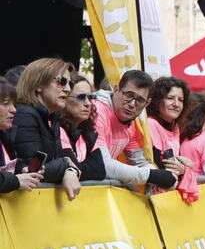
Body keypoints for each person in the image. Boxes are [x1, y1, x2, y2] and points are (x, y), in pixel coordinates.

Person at [91, 69, 180, 190]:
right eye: (128, 96)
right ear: (116, 89)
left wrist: (165, 177)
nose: (132, 104)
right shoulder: (96, 111)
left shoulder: (132, 122)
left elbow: (140, 162)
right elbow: (102, 164)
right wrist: (153, 176)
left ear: (147, 103)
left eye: (140, 100)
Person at [10, 57, 81, 200]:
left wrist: (70, 169)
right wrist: (66, 164)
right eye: (61, 81)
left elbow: (55, 164)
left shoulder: (52, 118)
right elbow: (33, 170)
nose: (68, 89)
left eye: (70, 83)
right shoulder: (25, 114)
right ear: (39, 85)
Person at [145, 75, 199, 199]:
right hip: (153, 197)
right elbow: (159, 164)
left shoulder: (175, 127)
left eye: (181, 100)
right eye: (170, 98)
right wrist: (185, 167)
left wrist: (184, 169)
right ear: (158, 100)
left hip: (168, 195)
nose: (176, 104)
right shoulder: (151, 124)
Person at [0, 79, 42, 195]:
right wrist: (16, 181)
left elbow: (7, 167)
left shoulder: (5, 136)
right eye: (5, 103)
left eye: (14, 104)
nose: (14, 110)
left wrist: (23, 170)